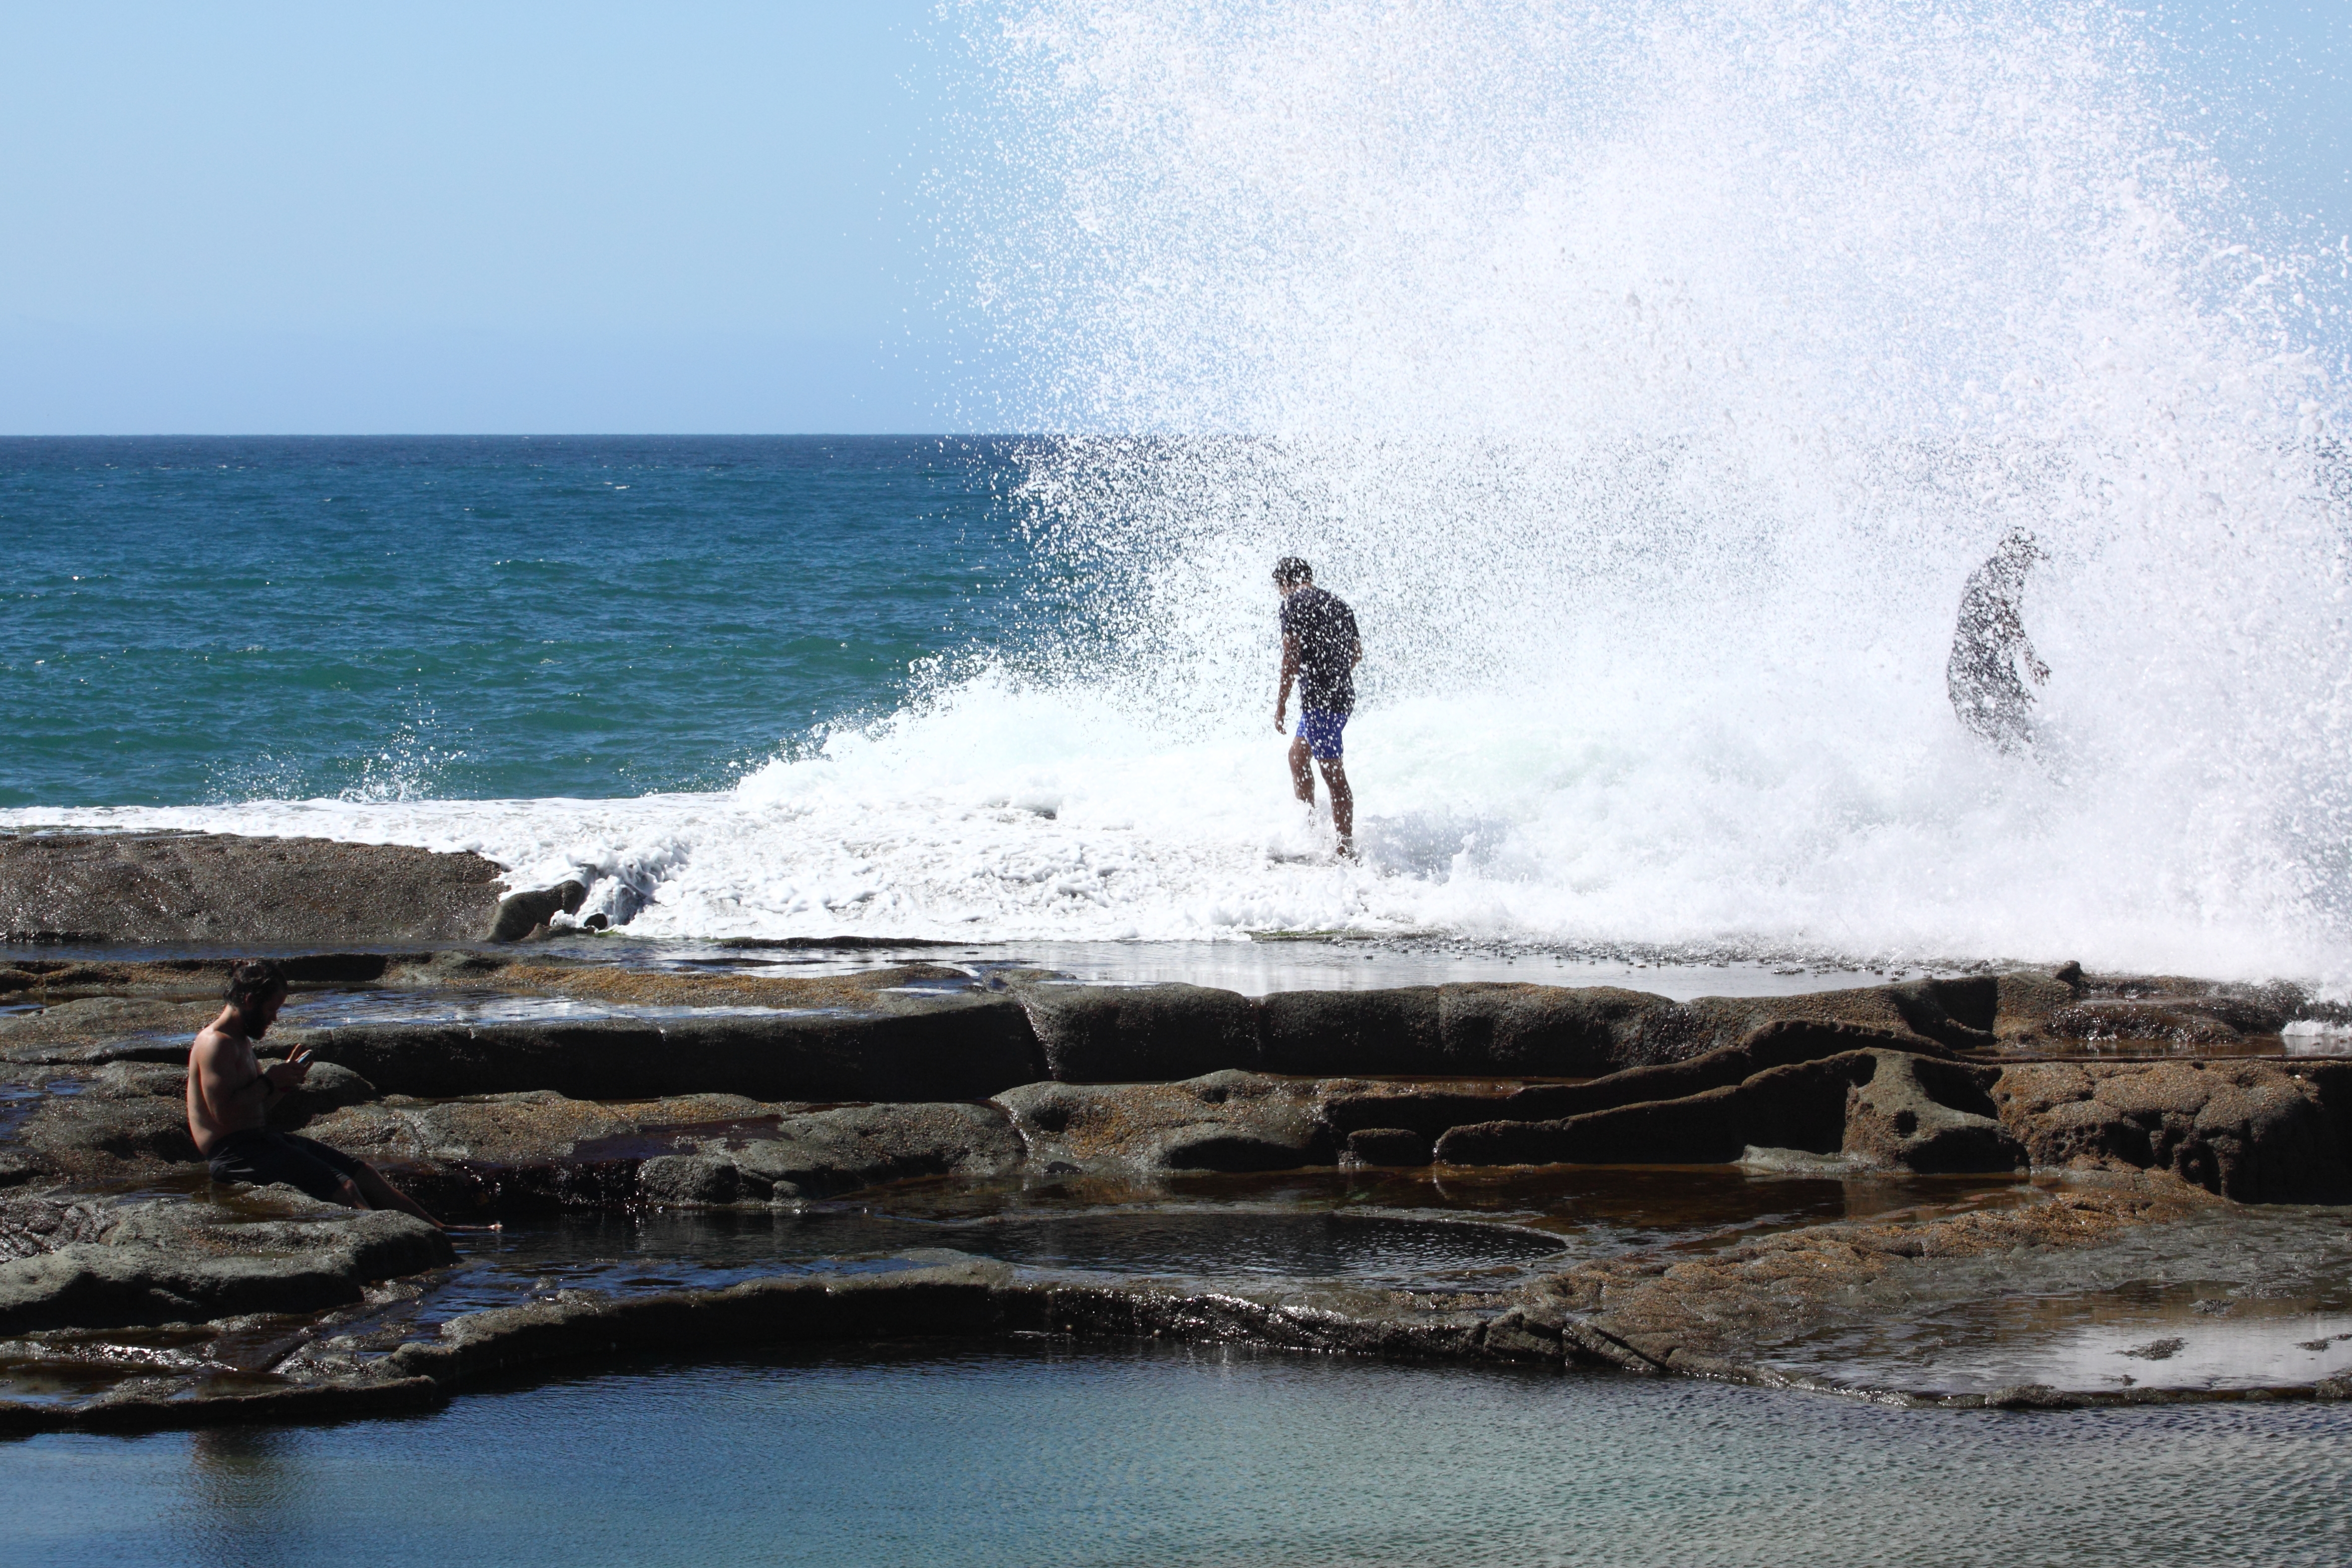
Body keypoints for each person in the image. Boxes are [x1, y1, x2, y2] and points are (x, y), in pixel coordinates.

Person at [187, 958, 441, 1227]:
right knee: (344, 1188)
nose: (274, 1018)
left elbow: (254, 1112)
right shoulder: (216, 1043)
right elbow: (224, 1117)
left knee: (362, 1173)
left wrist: (285, 1083)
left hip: (258, 1142)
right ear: (250, 1000)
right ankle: (392, 1238)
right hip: (233, 1156)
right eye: (272, 1009)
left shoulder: (240, 1041)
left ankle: (439, 1229)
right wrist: (269, 1082)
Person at [1272, 556, 1364, 857]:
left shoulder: (1292, 603)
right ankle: (1309, 830)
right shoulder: (1339, 604)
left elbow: (1291, 657)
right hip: (1339, 696)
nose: (1280, 593)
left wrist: (1282, 704)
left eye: (1279, 587)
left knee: (1333, 776)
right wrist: (1334, 675)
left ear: (1286, 582)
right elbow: (1356, 654)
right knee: (1298, 757)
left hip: (1321, 704)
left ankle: (1345, 851)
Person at [1947, 528, 2050, 755]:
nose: (2028, 566)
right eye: (2028, 558)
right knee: (2021, 745)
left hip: (1960, 675)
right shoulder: (2002, 574)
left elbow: (1985, 637)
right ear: (2017, 555)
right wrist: (2031, 658)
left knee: (1990, 749)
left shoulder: (1982, 574)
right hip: (1980, 677)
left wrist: (2014, 684)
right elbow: (2004, 613)